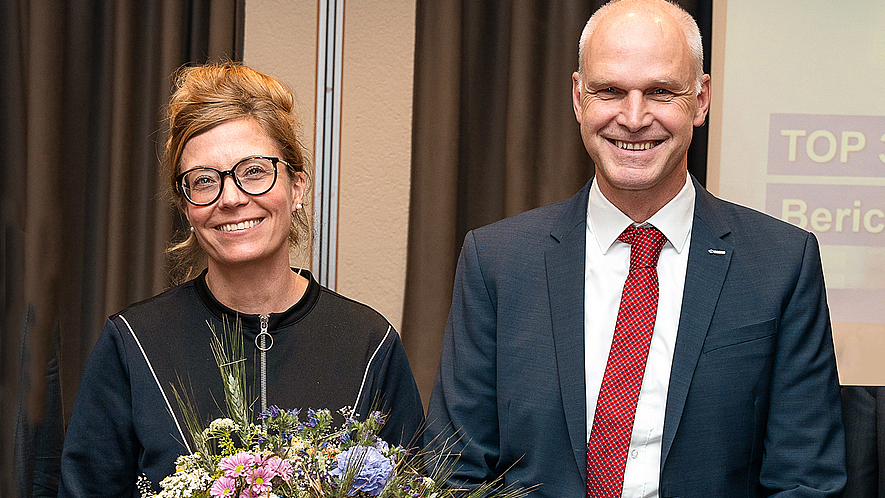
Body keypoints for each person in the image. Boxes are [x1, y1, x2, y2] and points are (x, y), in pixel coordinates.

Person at [423, 0, 845, 496]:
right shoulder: (496, 262)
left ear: (701, 99)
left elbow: (806, 482)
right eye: (610, 91)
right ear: (579, 98)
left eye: (661, 92)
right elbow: (453, 473)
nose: (634, 117)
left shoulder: (781, 264)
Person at [58, 62, 424, 497]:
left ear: (298, 186)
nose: (231, 198)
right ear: (185, 206)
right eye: (204, 180)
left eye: (254, 171)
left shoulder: (369, 343)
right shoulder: (133, 343)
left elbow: (413, 483)